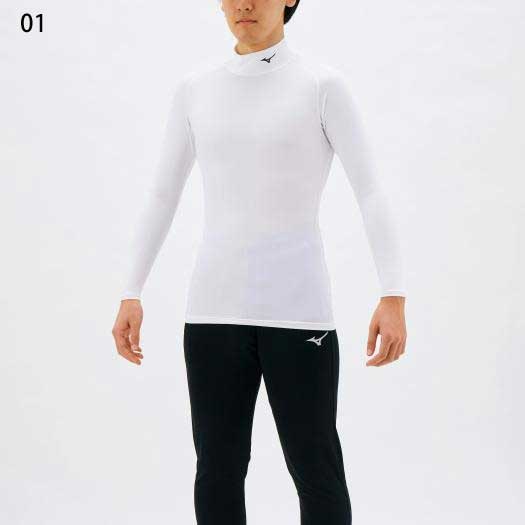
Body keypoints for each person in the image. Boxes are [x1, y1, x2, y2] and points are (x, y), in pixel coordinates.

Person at [112, 1, 407, 523]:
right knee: (217, 469)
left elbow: (371, 191)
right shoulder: (195, 90)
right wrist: (131, 290)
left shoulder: (321, 86)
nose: (243, 4)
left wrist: (393, 293)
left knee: (315, 467)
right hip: (212, 313)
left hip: (299, 314)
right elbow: (162, 194)